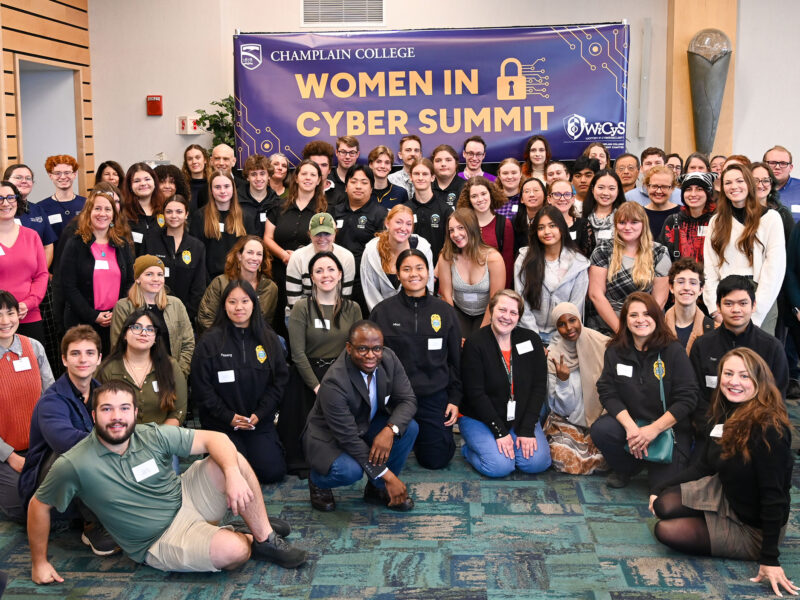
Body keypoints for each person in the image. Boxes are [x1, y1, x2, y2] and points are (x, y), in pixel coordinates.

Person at [28, 380, 306, 583]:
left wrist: (232, 475)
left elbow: (216, 439)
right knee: (236, 551)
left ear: (135, 413)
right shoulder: (74, 463)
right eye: (107, 409)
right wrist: (38, 563)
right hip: (159, 539)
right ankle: (243, 535)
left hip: (185, 496)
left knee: (232, 460)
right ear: (93, 415)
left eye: (124, 408)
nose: (116, 417)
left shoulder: (150, 434)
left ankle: (264, 537)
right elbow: (38, 505)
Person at [650, 348, 796, 599]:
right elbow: (704, 466)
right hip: (728, 492)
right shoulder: (726, 410)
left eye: (744, 376)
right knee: (662, 504)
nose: (734, 381)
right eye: (728, 374)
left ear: (759, 381)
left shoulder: (770, 429)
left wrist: (770, 558)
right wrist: (658, 488)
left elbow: (775, 497)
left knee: (665, 531)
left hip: (754, 527)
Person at [19, 325, 117, 556]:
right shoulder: (51, 401)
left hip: (93, 472)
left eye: (89, 353)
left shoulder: (103, 393)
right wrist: (115, 444)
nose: (83, 359)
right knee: (74, 453)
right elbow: (66, 441)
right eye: (75, 353)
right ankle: (93, 524)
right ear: (64, 359)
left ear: (99, 358)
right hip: (48, 485)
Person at [303, 320, 419, 512]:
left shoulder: (389, 359)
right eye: (362, 349)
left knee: (408, 428)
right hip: (331, 436)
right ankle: (318, 481)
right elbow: (349, 440)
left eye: (377, 348)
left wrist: (389, 430)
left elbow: (408, 400)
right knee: (350, 471)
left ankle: (377, 489)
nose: (371, 355)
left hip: (364, 423)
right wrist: (390, 477)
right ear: (349, 348)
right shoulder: (334, 381)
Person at [591, 292, 698, 491]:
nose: (640, 320)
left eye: (647, 314)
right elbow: (607, 390)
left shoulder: (673, 351)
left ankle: (654, 465)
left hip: (668, 429)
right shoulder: (615, 350)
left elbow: (688, 398)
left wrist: (654, 429)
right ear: (625, 320)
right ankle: (628, 467)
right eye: (633, 315)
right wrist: (631, 427)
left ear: (657, 317)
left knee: (662, 490)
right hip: (632, 425)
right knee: (601, 430)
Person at [370, 250, 462, 470]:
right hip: (395, 399)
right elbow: (371, 361)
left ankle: (420, 436)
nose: (414, 274)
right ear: (398, 275)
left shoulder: (445, 312)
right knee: (380, 456)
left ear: (429, 273)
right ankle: (408, 433)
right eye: (406, 269)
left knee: (436, 460)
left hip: (433, 396)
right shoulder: (382, 312)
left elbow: (455, 361)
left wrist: (455, 399)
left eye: (419, 268)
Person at [192, 280, 289, 484]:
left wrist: (260, 414)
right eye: (232, 301)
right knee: (230, 471)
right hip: (222, 424)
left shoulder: (269, 339)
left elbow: (279, 382)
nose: (239, 307)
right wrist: (227, 416)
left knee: (272, 472)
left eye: (245, 301)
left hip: (257, 422)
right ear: (224, 305)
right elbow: (202, 387)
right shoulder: (209, 341)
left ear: (254, 304)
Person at [283, 251, 362, 474]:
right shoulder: (301, 307)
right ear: (312, 277)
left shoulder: (353, 308)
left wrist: (334, 383)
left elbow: (355, 349)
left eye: (330, 269)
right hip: (308, 378)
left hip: (340, 376)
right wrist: (317, 386)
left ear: (340, 274)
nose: (325, 275)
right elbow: (297, 353)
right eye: (319, 271)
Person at [459, 289, 551, 477]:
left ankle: (505, 446)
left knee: (537, 463)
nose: (506, 317)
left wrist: (527, 430)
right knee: (499, 467)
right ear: (491, 310)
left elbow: (539, 386)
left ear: (519, 317)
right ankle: (468, 449)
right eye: (502, 310)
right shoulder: (475, 344)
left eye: (513, 312)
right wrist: (499, 432)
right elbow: (476, 394)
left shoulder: (531, 340)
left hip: (518, 415)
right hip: (480, 417)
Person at [690, 276, 789, 432]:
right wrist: (715, 430)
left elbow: (777, 398)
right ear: (718, 307)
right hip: (711, 430)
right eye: (728, 303)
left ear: (753, 305)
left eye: (743, 303)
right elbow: (697, 396)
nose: (736, 310)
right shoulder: (702, 346)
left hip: (758, 430)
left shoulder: (772, 348)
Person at [703, 164, 785, 335]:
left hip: (760, 297)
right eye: (728, 183)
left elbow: (774, 268)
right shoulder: (716, 222)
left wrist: (756, 312)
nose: (734, 186)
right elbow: (709, 268)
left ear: (749, 183)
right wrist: (715, 310)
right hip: (726, 296)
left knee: (757, 350)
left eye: (740, 181)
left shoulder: (771, 218)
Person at [0, 291, 54, 522]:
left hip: (40, 444)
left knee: (63, 491)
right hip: (5, 452)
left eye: (10, 313)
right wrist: (10, 456)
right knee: (21, 508)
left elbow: (51, 399)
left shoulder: (34, 346)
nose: (5, 321)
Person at [60, 188, 135, 352]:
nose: (103, 213)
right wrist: (93, 315)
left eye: (108, 209)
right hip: (82, 322)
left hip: (115, 321)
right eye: (98, 208)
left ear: (113, 215)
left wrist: (117, 312)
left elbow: (130, 282)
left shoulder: (122, 244)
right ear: (89, 212)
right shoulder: (75, 243)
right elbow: (68, 286)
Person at [544, 303, 609, 475]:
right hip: (568, 420)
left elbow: (614, 390)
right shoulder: (554, 356)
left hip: (602, 417)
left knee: (609, 452)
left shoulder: (602, 344)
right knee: (562, 456)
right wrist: (563, 381)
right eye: (561, 324)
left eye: (572, 320)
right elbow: (562, 409)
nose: (568, 328)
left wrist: (598, 427)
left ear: (580, 319)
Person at [587, 202, 671, 334]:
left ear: (643, 224)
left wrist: (641, 326)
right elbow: (596, 294)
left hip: (646, 324)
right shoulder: (603, 249)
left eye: (634, 222)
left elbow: (659, 301)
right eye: (622, 222)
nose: (627, 227)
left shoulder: (659, 252)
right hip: (606, 325)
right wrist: (620, 331)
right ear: (615, 225)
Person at [265, 158, 328, 328]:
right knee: (278, 320)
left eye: (313, 175)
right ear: (296, 178)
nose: (308, 178)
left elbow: (327, 241)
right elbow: (267, 238)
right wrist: (284, 255)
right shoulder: (278, 206)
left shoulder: (325, 210)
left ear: (318, 180)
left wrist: (299, 257)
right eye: (304, 174)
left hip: (310, 275)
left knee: (307, 322)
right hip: (279, 272)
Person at [99, 309, 187, 427]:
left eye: (150, 329)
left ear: (155, 338)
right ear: (124, 334)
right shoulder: (108, 369)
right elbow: (100, 412)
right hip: (119, 436)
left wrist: (158, 436)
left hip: (163, 436)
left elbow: (178, 411)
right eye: (137, 327)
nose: (143, 333)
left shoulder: (170, 366)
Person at [110, 255, 194, 377]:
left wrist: (179, 373)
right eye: (149, 274)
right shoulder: (123, 306)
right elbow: (118, 346)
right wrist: (138, 377)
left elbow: (188, 343)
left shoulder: (176, 304)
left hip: (172, 375)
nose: (156, 279)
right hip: (136, 377)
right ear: (137, 278)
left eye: (160, 275)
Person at [514, 206, 589, 343]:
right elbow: (521, 302)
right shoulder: (524, 259)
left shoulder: (578, 264)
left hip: (564, 335)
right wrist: (534, 339)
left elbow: (575, 308)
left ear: (562, 228)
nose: (547, 232)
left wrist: (556, 341)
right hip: (528, 332)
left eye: (552, 225)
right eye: (541, 228)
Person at [438, 208, 506, 336]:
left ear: (472, 228)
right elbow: (446, 296)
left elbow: (495, 300)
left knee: (478, 344)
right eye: (451, 230)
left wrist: (481, 333)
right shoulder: (446, 257)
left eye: (461, 228)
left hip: (487, 312)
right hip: (458, 311)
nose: (455, 234)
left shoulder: (493, 258)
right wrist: (455, 330)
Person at [142, 194, 207, 323]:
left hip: (183, 316)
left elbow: (198, 287)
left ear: (186, 214)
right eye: (169, 212)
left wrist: (184, 314)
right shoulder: (151, 241)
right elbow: (141, 277)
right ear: (163, 214)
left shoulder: (197, 246)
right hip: (151, 314)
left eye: (179, 212)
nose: (173, 216)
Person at [333, 165, 387, 310]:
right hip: (336, 279)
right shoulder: (334, 211)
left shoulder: (380, 214)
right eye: (353, 181)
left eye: (364, 182)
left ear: (371, 188)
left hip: (365, 281)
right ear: (346, 187)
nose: (358, 186)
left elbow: (384, 251)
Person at [0, 180, 48, 342]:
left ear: (17, 201)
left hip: (29, 314)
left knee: (32, 357)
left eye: (10, 197)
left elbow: (42, 275)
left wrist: (28, 303)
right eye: (0, 198)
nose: (5, 203)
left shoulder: (31, 236)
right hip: (0, 319)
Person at [197, 236, 278, 333]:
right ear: (239, 256)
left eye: (259, 254)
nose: (255, 258)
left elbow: (267, 323)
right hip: (222, 338)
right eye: (250, 252)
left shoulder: (270, 288)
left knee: (280, 340)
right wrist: (226, 339)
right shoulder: (220, 282)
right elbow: (205, 318)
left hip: (254, 338)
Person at [361, 205, 434, 311]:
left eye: (408, 224)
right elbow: (370, 292)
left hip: (416, 312)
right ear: (387, 223)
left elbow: (428, 285)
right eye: (399, 222)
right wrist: (383, 316)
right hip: (382, 314)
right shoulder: (371, 251)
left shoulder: (423, 248)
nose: (403, 228)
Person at [285, 213, 356, 314]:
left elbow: (345, 297)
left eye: (327, 233)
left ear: (335, 233)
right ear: (310, 234)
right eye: (317, 234)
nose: (322, 238)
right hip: (302, 312)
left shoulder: (347, 257)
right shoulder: (297, 257)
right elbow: (294, 301)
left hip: (336, 312)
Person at [190, 170, 254, 280]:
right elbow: (196, 253)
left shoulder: (246, 217)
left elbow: (250, 252)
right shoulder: (200, 217)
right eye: (217, 187)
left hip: (239, 279)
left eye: (226, 186)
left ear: (233, 188)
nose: (222, 191)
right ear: (211, 190)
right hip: (209, 280)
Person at [457, 175, 514, 286]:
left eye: (483, 194)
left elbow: (507, 262)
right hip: (465, 286)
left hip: (495, 286)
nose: (480, 199)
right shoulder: (462, 224)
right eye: (474, 196)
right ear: (468, 200)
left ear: (491, 194)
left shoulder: (504, 224)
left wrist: (502, 292)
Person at [4, 164, 57, 267]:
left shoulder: (38, 210)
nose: (24, 181)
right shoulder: (2, 211)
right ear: (6, 181)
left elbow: (47, 246)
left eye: (28, 178)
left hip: (35, 273)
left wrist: (41, 272)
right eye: (18, 177)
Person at [659, 172, 715, 263]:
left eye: (699, 189)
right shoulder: (673, 221)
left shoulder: (718, 221)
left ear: (708, 193)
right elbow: (662, 257)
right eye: (688, 189)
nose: (693, 194)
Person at [403, 157, 452, 263]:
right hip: (411, 267)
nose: (420, 178)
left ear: (432, 177)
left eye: (425, 174)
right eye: (416, 174)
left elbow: (450, 244)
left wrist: (440, 268)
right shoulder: (404, 210)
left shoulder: (445, 210)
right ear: (411, 177)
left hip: (439, 268)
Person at [665, 257, 715, 354]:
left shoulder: (714, 330)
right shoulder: (657, 329)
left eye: (693, 283)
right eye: (680, 282)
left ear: (701, 289)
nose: (687, 288)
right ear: (671, 287)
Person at [37, 155, 86, 240]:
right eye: (57, 173)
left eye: (67, 172)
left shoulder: (87, 204)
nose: (63, 177)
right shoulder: (41, 208)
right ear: (50, 176)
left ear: (74, 174)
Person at [580, 169, 627, 256]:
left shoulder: (625, 218)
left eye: (611, 188)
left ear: (618, 191)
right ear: (592, 189)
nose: (605, 193)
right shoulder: (580, 215)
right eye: (601, 187)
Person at [122, 162, 166, 253]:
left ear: (154, 182)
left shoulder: (165, 208)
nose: (143, 183)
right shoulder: (123, 212)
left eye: (147, 179)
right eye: (137, 181)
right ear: (130, 186)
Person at [752, 161, 793, 243]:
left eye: (766, 180)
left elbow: (792, 246)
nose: (760, 185)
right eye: (755, 180)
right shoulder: (738, 211)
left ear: (772, 184)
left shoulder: (782, 213)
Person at [238, 154, 279, 228]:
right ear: (247, 177)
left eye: (262, 174)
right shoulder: (236, 200)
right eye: (253, 174)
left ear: (269, 176)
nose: (258, 178)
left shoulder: (277, 202)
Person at [643, 166, 681, 238]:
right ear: (647, 187)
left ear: (672, 188)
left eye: (664, 187)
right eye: (654, 186)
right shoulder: (639, 214)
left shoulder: (682, 213)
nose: (659, 191)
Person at [763, 145, 800, 218]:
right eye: (772, 162)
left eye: (783, 163)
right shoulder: (752, 189)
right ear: (763, 165)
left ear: (790, 168)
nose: (777, 167)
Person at [512, 177, 546, 254]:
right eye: (527, 191)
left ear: (544, 195)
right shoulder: (515, 221)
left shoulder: (551, 218)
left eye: (536, 190)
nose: (531, 194)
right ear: (521, 199)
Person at [302, 139, 339, 205]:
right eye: (314, 164)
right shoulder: (296, 194)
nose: (319, 169)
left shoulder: (341, 195)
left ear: (329, 169)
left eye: (324, 165)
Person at [430, 144, 464, 210]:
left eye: (448, 160)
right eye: (438, 160)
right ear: (432, 164)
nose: (443, 164)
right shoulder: (426, 188)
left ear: (456, 163)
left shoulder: (466, 188)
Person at [388, 135, 422, 199]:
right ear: (400, 155)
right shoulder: (390, 180)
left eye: (416, 150)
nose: (413, 154)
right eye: (408, 150)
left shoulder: (428, 179)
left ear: (420, 155)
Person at [329, 136, 361, 202]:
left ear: (357, 154)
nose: (347, 157)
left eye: (352, 152)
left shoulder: (364, 178)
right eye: (343, 152)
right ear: (336, 152)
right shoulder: (327, 177)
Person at [182, 144, 211, 212]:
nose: (194, 162)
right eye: (190, 159)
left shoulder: (214, 185)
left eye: (197, 157)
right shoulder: (182, 187)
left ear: (205, 160)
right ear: (186, 163)